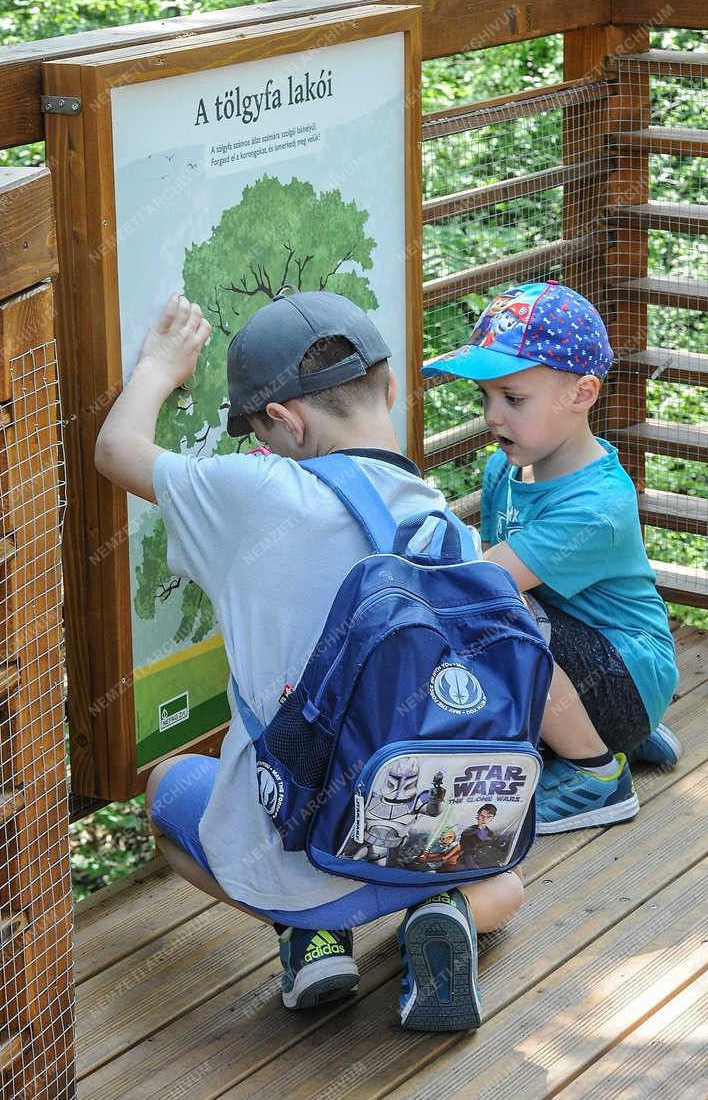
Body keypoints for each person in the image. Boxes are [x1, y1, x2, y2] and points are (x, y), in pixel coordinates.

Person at [94, 287, 524, 1032]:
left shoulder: (252, 491)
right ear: (389, 387)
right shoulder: (441, 524)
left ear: (285, 425)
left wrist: (160, 368)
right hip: (429, 831)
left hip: (307, 845)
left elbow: (116, 451)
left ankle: (312, 935)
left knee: (168, 788)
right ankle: (447, 909)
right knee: (507, 882)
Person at [425, 281, 681, 835]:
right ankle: (610, 734)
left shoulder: (596, 505)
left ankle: (595, 773)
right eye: (486, 397)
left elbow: (485, 586)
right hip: (586, 664)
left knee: (498, 612)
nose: (493, 416)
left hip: (621, 677)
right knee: (501, 611)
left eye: (513, 399)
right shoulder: (506, 468)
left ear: (583, 393)